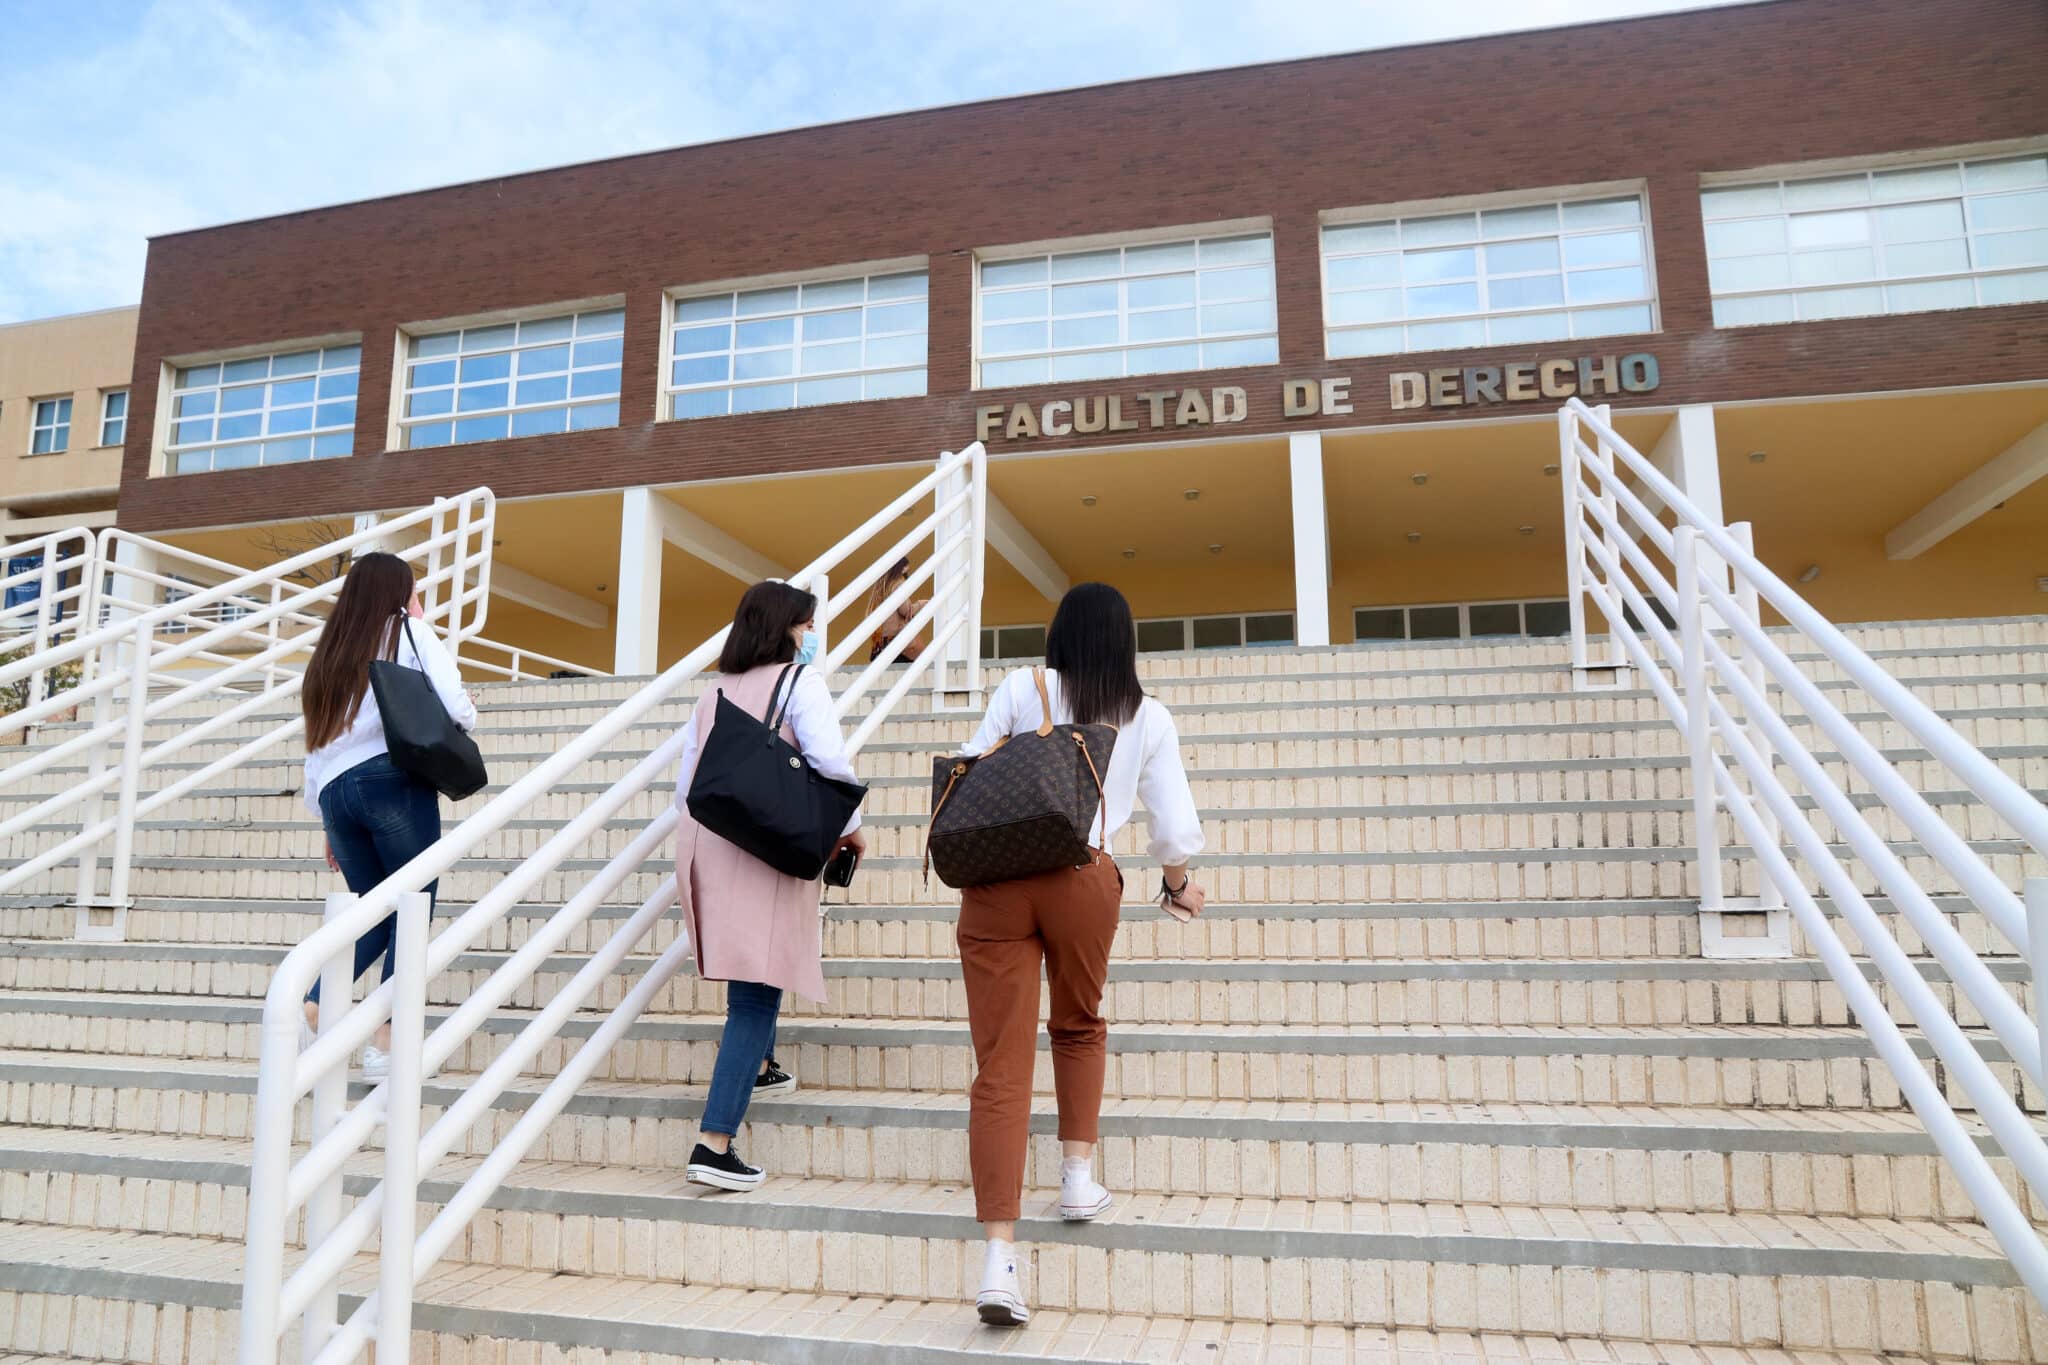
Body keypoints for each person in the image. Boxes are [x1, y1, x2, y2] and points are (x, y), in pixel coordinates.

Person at [952, 582, 1206, 1326]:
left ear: (1060, 634)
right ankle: (1075, 1178)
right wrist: (1178, 885)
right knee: (1079, 1022)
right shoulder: (1146, 715)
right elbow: (1173, 829)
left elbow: (968, 771)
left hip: (998, 880)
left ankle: (999, 1261)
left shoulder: (1018, 686)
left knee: (1000, 1064)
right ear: (1124, 643)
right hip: (1086, 877)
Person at [672, 580, 865, 1191]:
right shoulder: (799, 683)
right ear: (787, 627)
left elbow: (685, 786)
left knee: (754, 966)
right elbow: (832, 764)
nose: (811, 637)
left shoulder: (713, 692)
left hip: (710, 844)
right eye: (807, 626)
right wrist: (853, 829)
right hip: (765, 846)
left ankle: (757, 1064)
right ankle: (714, 1142)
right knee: (756, 990)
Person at [299, 552, 478, 1079]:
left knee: (376, 916)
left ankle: (309, 1011)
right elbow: (453, 705)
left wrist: (325, 820)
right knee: (412, 908)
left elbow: (315, 748)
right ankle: (387, 1045)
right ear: (399, 592)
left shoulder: (328, 654)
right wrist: (469, 703)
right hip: (389, 783)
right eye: (412, 590)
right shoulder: (407, 633)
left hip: (336, 797)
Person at [866, 556, 927, 663]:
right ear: (902, 567)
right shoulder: (897, 583)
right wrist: (922, 604)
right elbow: (906, 610)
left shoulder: (880, 587)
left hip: (880, 644)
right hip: (896, 643)